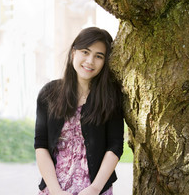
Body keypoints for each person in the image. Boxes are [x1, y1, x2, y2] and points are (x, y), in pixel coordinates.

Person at [34, 27, 124, 195]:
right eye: (85, 52)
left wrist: (95, 188)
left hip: (95, 189)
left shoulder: (111, 97)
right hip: (54, 188)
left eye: (99, 56)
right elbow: (41, 145)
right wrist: (55, 191)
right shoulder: (49, 94)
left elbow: (115, 146)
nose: (90, 61)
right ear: (73, 52)